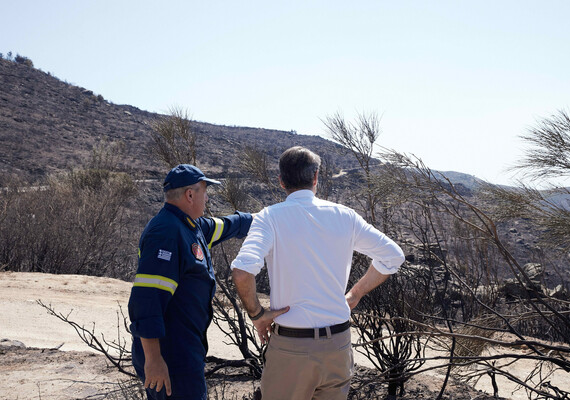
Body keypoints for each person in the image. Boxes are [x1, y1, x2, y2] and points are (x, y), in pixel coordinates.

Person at [230, 146, 405, 400]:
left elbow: (242, 271)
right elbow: (393, 256)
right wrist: (355, 294)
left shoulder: (270, 218)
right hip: (338, 345)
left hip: (291, 348)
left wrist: (258, 315)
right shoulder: (345, 216)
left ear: (281, 181)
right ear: (315, 178)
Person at [128, 164, 253, 400]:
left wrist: (267, 218)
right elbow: (146, 302)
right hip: (170, 354)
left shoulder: (190, 226)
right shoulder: (166, 232)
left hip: (185, 349)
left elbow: (227, 225)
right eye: (205, 191)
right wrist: (154, 360)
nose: (207, 198)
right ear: (189, 195)